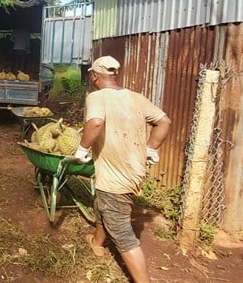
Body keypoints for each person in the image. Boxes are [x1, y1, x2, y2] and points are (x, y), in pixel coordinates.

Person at [73, 55, 171, 283]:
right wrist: (151, 148)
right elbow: (164, 121)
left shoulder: (97, 97)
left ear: (95, 76)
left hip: (117, 176)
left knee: (122, 231)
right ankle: (97, 242)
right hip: (133, 169)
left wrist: (82, 148)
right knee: (102, 203)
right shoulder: (135, 97)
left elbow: (96, 123)